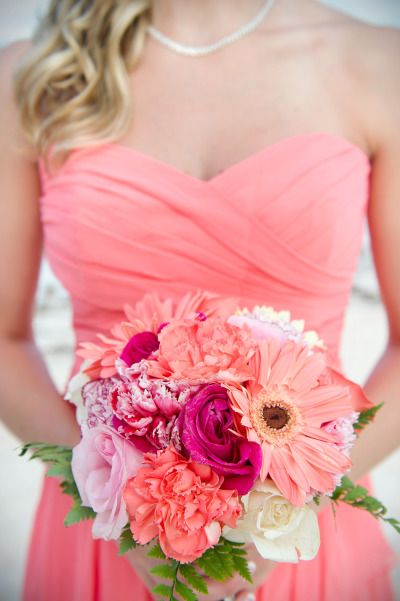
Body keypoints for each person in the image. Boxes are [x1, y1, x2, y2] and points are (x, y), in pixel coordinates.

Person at [0, 0, 399, 599]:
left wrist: (285, 510)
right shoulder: (34, 75)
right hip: (106, 531)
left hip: (304, 528)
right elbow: (4, 338)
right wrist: (120, 503)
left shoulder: (378, 65)